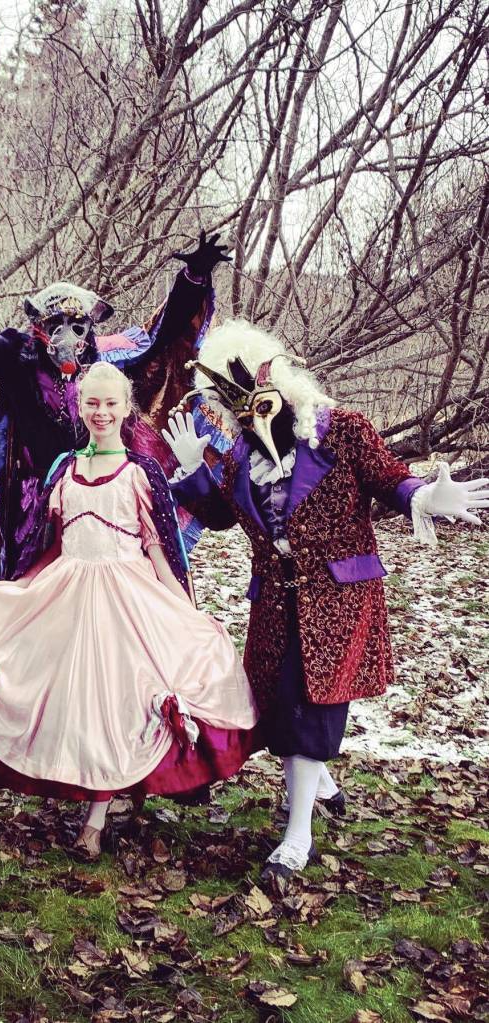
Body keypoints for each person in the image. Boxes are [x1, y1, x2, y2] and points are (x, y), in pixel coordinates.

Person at [162, 319, 489, 887]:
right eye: (227, 398)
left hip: (337, 596)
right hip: (276, 598)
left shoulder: (341, 431)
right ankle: (320, 783)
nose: (245, 409)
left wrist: (424, 495)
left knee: (310, 705)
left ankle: (299, 836)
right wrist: (195, 469)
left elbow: (389, 479)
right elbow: (220, 517)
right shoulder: (239, 457)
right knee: (276, 702)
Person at [0, 362, 258, 858]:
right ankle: (80, 783)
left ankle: (96, 818)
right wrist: (14, 591)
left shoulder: (141, 471)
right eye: (92, 403)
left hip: (127, 599)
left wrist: (183, 610)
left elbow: (160, 548)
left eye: (111, 403)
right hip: (69, 592)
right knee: (77, 702)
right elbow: (47, 542)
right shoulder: (64, 468)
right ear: (80, 407)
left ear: (126, 408)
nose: (101, 412)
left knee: (117, 701)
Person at [0, 232, 232, 589]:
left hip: (102, 493)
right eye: (55, 326)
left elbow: (162, 335)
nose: (67, 337)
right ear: (39, 328)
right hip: (37, 503)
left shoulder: (107, 362)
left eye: (77, 326)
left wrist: (193, 279)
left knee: (106, 583)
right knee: (37, 587)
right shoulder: (18, 364)